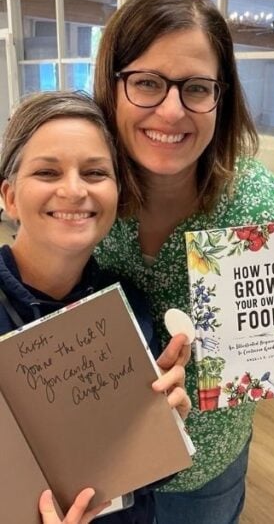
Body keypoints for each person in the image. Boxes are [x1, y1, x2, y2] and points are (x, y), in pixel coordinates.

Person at [90, 0, 274, 522]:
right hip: (99, 463)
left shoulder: (260, 208)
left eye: (197, 88)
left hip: (204, 470)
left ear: (221, 100)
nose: (172, 111)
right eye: (148, 83)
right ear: (111, 87)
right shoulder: (87, 193)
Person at [0, 91, 190, 524]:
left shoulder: (128, 306)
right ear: (10, 198)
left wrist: (164, 430)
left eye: (95, 172)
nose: (73, 190)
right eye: (47, 171)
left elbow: (143, 479)